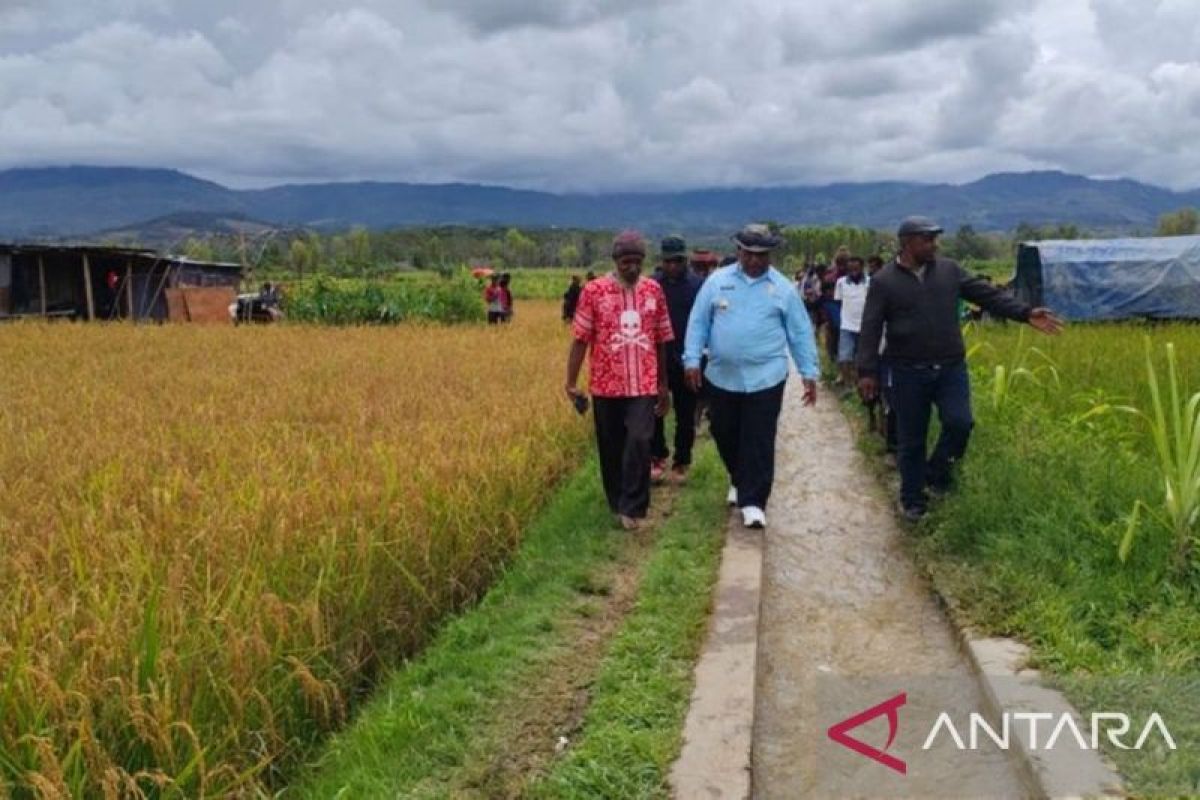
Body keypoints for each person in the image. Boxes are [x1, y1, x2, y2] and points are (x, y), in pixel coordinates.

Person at [856, 216, 1063, 522]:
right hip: (906, 371)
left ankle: (936, 475)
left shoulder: (949, 271)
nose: (934, 244)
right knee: (911, 438)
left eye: (935, 239)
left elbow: (986, 295)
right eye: (927, 239)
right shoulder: (885, 281)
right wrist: (867, 372)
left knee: (960, 423)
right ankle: (912, 500)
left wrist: (1025, 313)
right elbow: (871, 327)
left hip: (950, 368)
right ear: (908, 242)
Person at [683, 224, 820, 529]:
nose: (756, 261)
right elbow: (697, 322)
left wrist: (809, 372)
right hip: (721, 375)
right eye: (750, 254)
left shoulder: (782, 288)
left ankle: (754, 501)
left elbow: (799, 332)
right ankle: (739, 477)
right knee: (723, 431)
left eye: (762, 255)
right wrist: (692, 359)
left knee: (759, 437)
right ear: (739, 252)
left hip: (766, 376)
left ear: (770, 255)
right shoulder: (717, 282)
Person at [565, 230, 673, 530]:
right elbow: (580, 339)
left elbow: (661, 340)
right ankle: (617, 500)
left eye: (637, 261)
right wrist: (570, 382)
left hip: (643, 384)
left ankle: (634, 506)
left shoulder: (654, 291)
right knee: (611, 445)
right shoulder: (594, 292)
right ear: (615, 261)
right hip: (605, 385)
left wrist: (663, 386)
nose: (632, 267)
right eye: (626, 261)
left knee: (640, 440)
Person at [650, 235, 703, 483]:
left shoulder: (698, 286)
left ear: (685, 259)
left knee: (685, 412)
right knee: (655, 411)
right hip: (656, 358)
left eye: (678, 261)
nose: (673, 266)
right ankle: (657, 456)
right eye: (668, 261)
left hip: (687, 358)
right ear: (662, 260)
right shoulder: (651, 285)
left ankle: (682, 460)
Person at [833, 256, 869, 389]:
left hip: (864, 326)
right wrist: (839, 321)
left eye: (856, 268)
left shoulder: (870, 282)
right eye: (851, 269)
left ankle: (858, 382)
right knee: (845, 356)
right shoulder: (841, 282)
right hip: (846, 326)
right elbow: (838, 302)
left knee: (861, 357)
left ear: (861, 268)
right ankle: (847, 383)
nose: (854, 271)